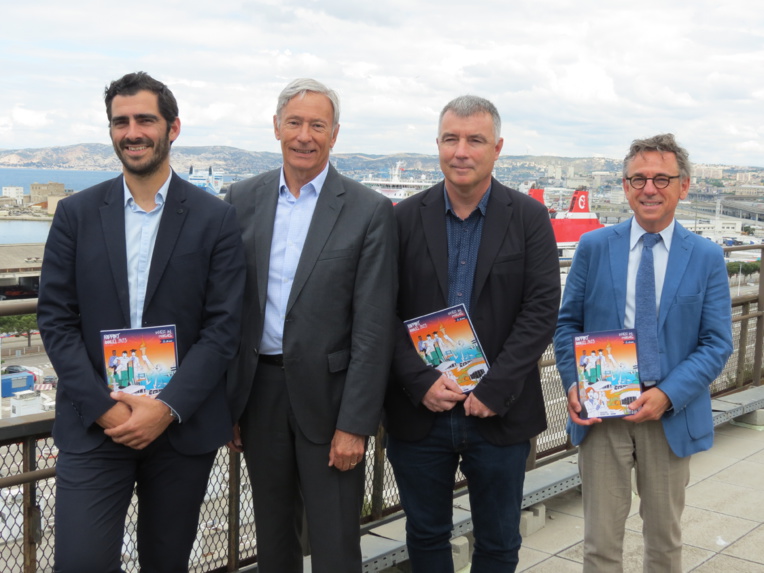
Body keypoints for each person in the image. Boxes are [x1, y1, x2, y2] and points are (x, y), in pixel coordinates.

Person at [37, 71, 246, 573]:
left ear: (172, 128)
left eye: (144, 120)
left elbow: (223, 329)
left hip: (179, 430)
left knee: (166, 563)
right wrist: (102, 408)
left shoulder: (214, 218)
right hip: (96, 425)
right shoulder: (76, 214)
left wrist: (166, 408)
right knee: (80, 563)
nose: (132, 132)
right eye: (120, 122)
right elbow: (56, 319)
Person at [225, 78, 397, 573]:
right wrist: (231, 400)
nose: (305, 135)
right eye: (295, 123)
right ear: (276, 127)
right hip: (259, 396)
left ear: (335, 134)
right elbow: (228, 308)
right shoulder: (240, 198)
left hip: (332, 401)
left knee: (335, 541)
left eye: (317, 125)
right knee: (272, 537)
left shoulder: (368, 210)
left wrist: (355, 424)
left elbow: (373, 326)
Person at [385, 95, 560, 572]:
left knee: (500, 541)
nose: (461, 151)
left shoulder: (528, 218)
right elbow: (382, 311)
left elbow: (542, 308)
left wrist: (496, 385)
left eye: (475, 140)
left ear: (497, 147)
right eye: (450, 139)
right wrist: (418, 382)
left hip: (498, 413)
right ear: (438, 145)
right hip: (420, 412)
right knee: (424, 536)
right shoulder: (401, 219)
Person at [554, 133, 733, 572]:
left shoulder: (707, 256)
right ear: (625, 186)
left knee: (664, 543)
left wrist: (668, 394)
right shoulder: (595, 247)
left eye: (660, 178)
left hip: (669, 415)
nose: (648, 189)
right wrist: (575, 384)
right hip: (603, 417)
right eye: (638, 179)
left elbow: (717, 342)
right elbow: (567, 326)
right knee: (599, 544)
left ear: (683, 186)